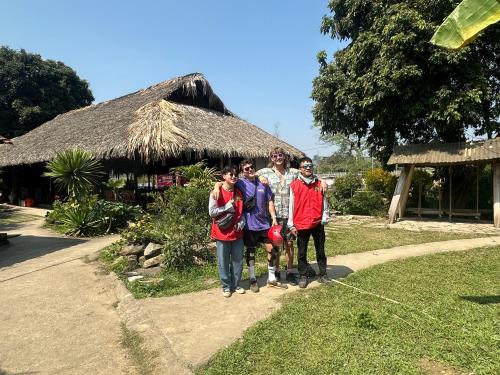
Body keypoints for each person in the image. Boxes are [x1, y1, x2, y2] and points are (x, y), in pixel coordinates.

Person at [213, 159, 288, 292]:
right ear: (243, 172)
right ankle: (252, 278)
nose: (250, 170)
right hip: (249, 225)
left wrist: (274, 218)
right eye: (246, 169)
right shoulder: (240, 182)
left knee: (273, 250)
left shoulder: (263, 183)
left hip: (264, 223)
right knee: (251, 252)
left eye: (251, 167)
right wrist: (216, 187)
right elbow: (223, 180)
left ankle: (271, 279)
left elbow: (269, 201)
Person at [256, 147, 328, 285]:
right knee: (275, 244)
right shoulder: (265, 172)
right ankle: (276, 271)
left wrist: (322, 180)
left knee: (289, 244)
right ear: (271, 158)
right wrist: (259, 177)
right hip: (274, 215)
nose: (278, 157)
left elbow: (308, 174)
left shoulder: (293, 172)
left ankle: (289, 272)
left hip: (290, 215)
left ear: (284, 157)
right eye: (275, 155)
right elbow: (247, 175)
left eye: (281, 155)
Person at [288, 157, 330, 289]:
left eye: (310, 166)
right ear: (300, 169)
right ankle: (302, 275)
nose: (307, 168)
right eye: (305, 166)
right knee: (301, 252)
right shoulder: (294, 185)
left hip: (317, 222)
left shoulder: (319, 184)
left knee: (321, 250)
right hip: (301, 223)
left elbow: (325, 201)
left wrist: (325, 215)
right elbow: (291, 205)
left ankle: (323, 274)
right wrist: (291, 224)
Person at [209, 165, 246, 297]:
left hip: (237, 233)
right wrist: (227, 206)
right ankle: (225, 286)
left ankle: (236, 284)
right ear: (224, 176)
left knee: (237, 261)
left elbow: (242, 213)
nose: (233, 176)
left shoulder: (239, 193)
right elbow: (212, 212)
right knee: (223, 261)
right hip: (222, 233)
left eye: (235, 174)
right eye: (230, 174)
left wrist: (242, 222)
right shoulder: (216, 192)